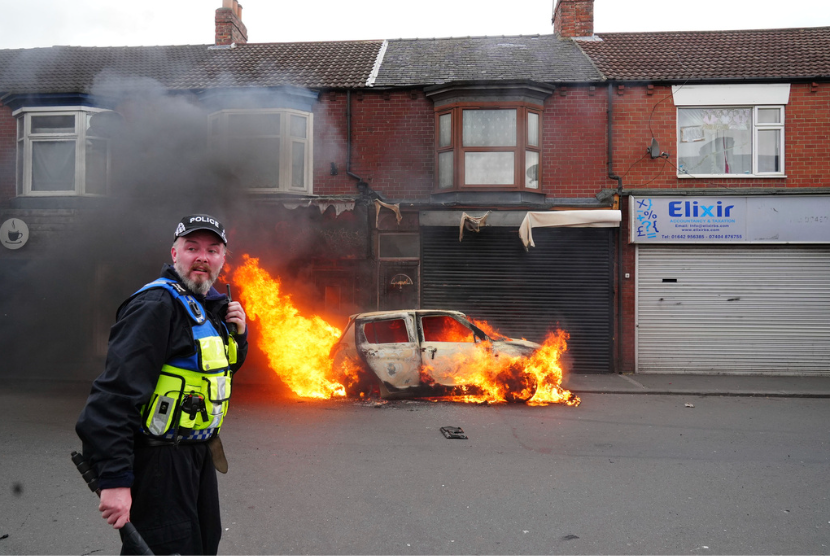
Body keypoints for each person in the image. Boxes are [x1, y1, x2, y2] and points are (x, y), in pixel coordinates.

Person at [76, 214, 248, 556]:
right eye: (192, 247)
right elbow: (113, 397)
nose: (202, 256)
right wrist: (115, 480)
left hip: (196, 458)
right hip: (160, 463)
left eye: (213, 250)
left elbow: (211, 374)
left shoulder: (207, 306)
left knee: (201, 546)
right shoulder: (156, 305)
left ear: (222, 260)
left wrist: (239, 338)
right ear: (174, 254)